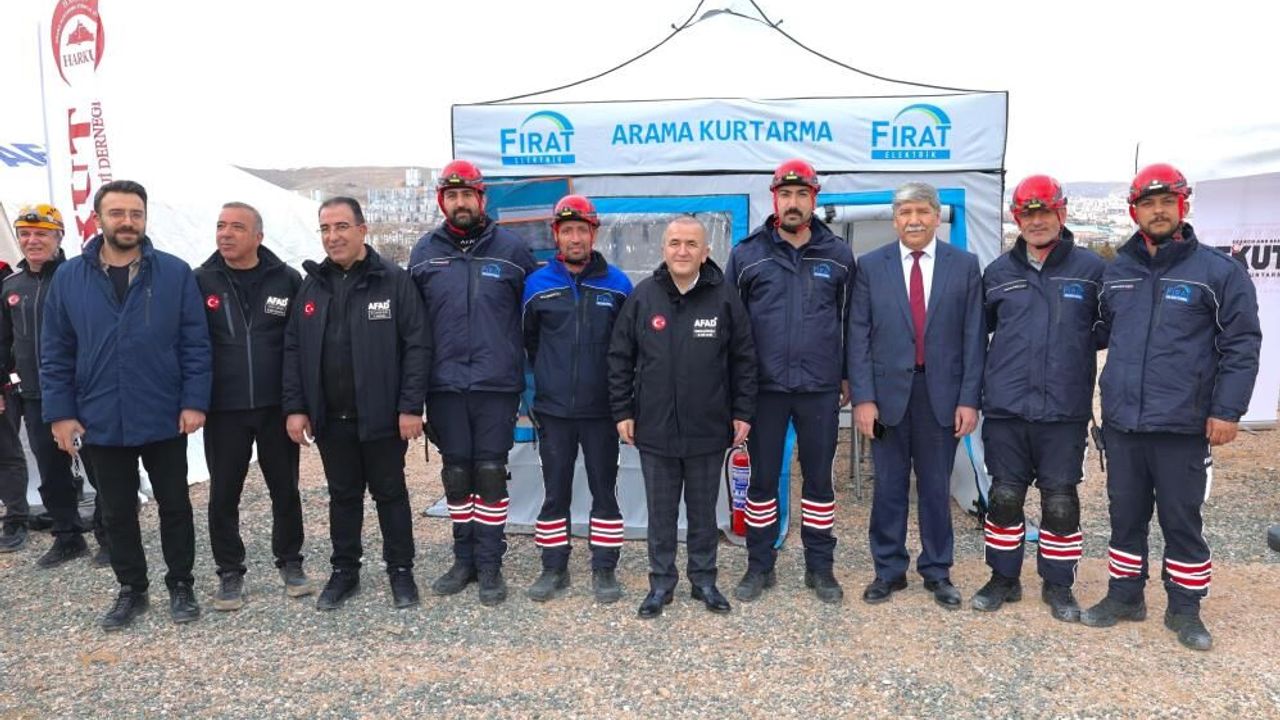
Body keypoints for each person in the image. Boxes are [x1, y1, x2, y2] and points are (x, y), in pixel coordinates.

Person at [1081, 164, 1261, 651]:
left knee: (1181, 520)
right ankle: (1125, 596)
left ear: (1184, 205)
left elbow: (1241, 345)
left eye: (1167, 202)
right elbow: (1096, 331)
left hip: (1183, 423)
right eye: (1148, 203)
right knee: (1124, 516)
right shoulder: (1117, 271)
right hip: (1123, 421)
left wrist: (1228, 411)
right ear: (1133, 211)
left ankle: (1185, 608)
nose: (1157, 211)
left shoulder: (1218, 272)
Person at [41, 180, 212, 630]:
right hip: (100, 415)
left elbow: (195, 343)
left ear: (145, 218)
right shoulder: (69, 278)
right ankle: (131, 589)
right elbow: (55, 350)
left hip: (163, 413)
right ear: (98, 218)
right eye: (117, 213)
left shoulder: (174, 273)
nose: (127, 221)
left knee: (175, 505)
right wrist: (61, 414)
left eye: (136, 213)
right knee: (116, 511)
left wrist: (194, 401)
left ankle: (181, 584)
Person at [608, 215, 757, 619]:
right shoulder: (643, 297)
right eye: (675, 243)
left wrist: (742, 412)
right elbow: (619, 357)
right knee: (661, 513)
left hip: (708, 427)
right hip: (655, 427)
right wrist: (623, 410)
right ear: (663, 249)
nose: (682, 251)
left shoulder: (724, 298)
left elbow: (744, 360)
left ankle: (704, 580)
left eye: (691, 244)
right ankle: (661, 583)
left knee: (704, 512)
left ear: (706, 252)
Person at [283, 197, 427, 611]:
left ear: (363, 230)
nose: (333, 236)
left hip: (382, 417)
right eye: (326, 228)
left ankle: (401, 571)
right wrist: (296, 407)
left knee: (390, 494)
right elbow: (293, 349)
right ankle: (344, 572)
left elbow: (417, 346)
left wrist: (410, 406)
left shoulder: (393, 281)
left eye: (342, 226)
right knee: (343, 497)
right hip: (331, 418)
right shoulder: (312, 286)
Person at [971, 175, 1105, 621]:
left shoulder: (1091, 270)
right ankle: (1003, 578)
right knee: (1004, 497)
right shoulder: (998, 273)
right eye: (1027, 214)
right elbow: (978, 336)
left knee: (1060, 502)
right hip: (1007, 409)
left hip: (1064, 411)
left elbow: (1108, 331)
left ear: (1061, 213)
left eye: (1045, 212)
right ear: (1016, 219)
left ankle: (1058, 584)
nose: (1036, 221)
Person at [848, 181, 985, 610]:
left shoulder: (965, 266)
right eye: (905, 213)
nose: (914, 220)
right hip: (886, 397)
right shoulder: (871, 266)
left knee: (935, 488)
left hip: (941, 395)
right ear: (894, 220)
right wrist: (864, 399)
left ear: (937, 217)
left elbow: (974, 336)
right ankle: (888, 571)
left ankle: (937, 570)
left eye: (922, 212)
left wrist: (969, 399)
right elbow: (858, 335)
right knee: (888, 487)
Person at [725, 159, 854, 605]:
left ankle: (820, 567)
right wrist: (736, 387)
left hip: (820, 388)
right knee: (762, 482)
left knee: (819, 481)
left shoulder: (838, 255)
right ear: (774, 199)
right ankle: (759, 566)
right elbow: (732, 329)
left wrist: (847, 374)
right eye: (785, 195)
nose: (793, 203)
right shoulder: (747, 255)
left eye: (802, 195)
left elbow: (852, 321)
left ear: (814, 199)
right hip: (765, 390)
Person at [409, 160, 537, 607]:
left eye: (467, 195)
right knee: (457, 474)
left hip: (495, 384)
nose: (460, 203)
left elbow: (533, 318)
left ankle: (490, 563)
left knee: (490, 473)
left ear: (482, 199)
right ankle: (463, 559)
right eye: (452, 196)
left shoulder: (513, 250)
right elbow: (412, 326)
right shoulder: (424, 252)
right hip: (443, 384)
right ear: (441, 201)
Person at [195, 202, 309, 610]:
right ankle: (230, 571)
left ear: (258, 236)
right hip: (224, 409)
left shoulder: (287, 280)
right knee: (224, 494)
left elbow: (299, 346)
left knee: (285, 490)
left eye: (237, 227)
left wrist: (298, 404)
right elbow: (191, 345)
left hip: (276, 407)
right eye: (220, 225)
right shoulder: (200, 280)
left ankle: (290, 562)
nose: (225, 234)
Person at [521, 195, 633, 604]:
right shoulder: (536, 285)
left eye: (581, 230)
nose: (574, 238)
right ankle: (554, 567)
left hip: (602, 412)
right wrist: (533, 396)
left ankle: (604, 568)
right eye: (566, 230)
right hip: (553, 412)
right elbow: (527, 345)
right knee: (555, 492)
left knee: (605, 490)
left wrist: (624, 404)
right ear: (556, 235)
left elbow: (629, 350)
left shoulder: (618, 285)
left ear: (593, 234)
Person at [0, 204, 108, 567]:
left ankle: (110, 535)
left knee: (100, 466)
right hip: (35, 395)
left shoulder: (80, 277)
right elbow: (3, 342)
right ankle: (67, 537)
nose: (32, 240)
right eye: (25, 234)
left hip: (84, 393)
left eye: (42, 234)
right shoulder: (10, 286)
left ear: (59, 236)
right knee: (51, 471)